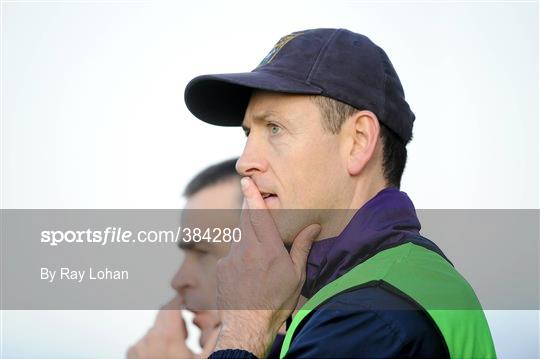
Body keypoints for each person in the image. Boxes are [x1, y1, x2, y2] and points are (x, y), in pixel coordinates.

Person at [184, 28, 496, 358]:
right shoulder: (374, 290)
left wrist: (243, 331)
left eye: (274, 128)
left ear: (359, 141)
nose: (245, 162)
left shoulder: (369, 317)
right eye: (249, 133)